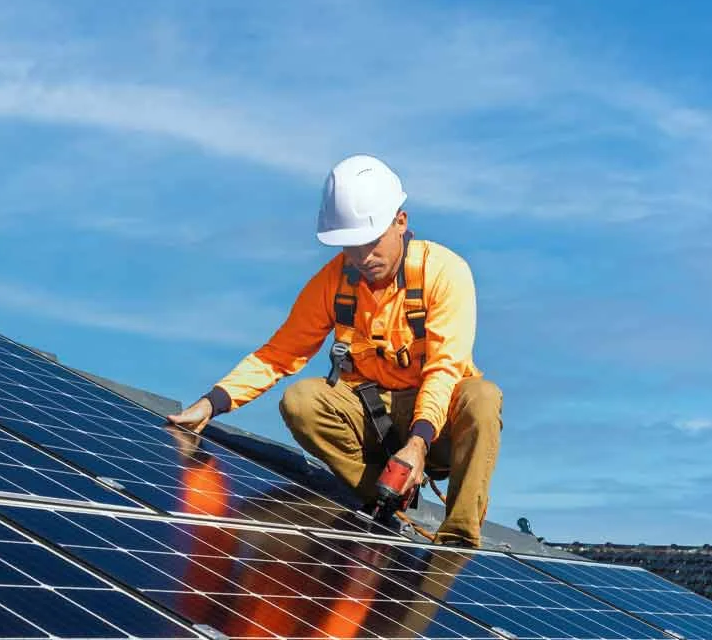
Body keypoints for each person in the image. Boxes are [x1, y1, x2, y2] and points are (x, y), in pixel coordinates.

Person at [166, 154, 503, 547]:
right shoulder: (334, 282)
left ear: (401, 221)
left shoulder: (444, 272)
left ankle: (458, 539)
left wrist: (418, 443)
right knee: (301, 401)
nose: (363, 257)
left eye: (371, 242)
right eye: (351, 246)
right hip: (372, 415)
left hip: (438, 423)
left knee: (482, 397)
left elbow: (445, 368)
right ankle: (383, 496)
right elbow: (279, 353)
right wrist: (211, 403)